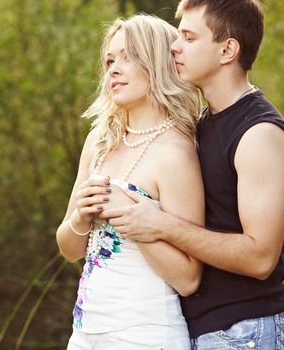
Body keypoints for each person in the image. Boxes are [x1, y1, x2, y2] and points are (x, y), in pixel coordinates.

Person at [101, 1, 284, 349]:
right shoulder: (203, 124)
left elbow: (260, 258)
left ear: (227, 50)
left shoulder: (259, 134)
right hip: (201, 330)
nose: (175, 47)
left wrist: (160, 225)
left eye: (190, 38)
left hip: (245, 331)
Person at [56, 14, 205, 349]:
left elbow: (189, 278)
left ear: (157, 63)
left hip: (146, 334)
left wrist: (132, 219)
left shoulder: (176, 152)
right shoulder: (99, 141)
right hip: (85, 334)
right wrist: (79, 217)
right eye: (110, 59)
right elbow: (68, 249)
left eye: (128, 57)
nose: (113, 68)